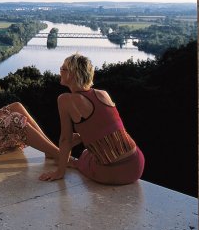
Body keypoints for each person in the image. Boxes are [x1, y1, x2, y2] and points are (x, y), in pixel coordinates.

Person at [39, 53, 144, 185]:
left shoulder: (65, 100)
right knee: (88, 150)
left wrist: (60, 172)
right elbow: (106, 127)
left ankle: (74, 163)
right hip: (136, 164)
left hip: (113, 172)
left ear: (72, 74)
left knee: (85, 155)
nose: (60, 70)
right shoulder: (103, 94)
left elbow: (65, 140)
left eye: (63, 68)